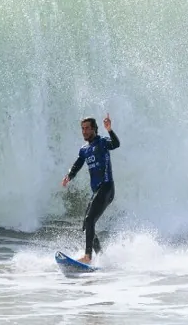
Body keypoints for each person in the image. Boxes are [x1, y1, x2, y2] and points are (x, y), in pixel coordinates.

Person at [61, 113, 120, 264]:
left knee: (89, 220)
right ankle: (101, 256)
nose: (84, 131)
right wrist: (69, 175)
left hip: (107, 187)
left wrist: (110, 129)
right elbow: (78, 164)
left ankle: (88, 257)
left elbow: (116, 144)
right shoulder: (84, 150)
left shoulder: (102, 142)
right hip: (97, 191)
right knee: (87, 224)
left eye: (87, 128)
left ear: (94, 129)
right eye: (82, 129)